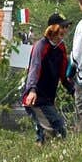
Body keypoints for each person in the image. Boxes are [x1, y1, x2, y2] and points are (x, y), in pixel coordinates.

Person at [21, 15, 71, 144]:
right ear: (54, 28)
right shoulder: (41, 46)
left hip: (48, 97)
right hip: (36, 98)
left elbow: (63, 72)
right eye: (63, 26)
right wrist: (32, 90)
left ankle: (42, 156)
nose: (66, 29)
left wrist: (71, 88)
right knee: (57, 128)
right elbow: (34, 68)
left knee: (45, 134)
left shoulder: (61, 47)